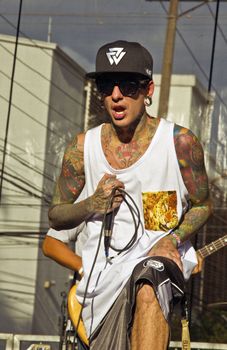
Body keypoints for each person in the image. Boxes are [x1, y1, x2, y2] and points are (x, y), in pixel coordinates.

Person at [42, 40, 211, 350]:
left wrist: (171, 240)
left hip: (155, 266)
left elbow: (202, 205)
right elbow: (56, 214)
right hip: (98, 291)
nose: (116, 95)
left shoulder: (180, 143)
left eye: (128, 86)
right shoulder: (82, 149)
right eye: (107, 85)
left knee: (150, 278)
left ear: (148, 90)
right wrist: (92, 204)